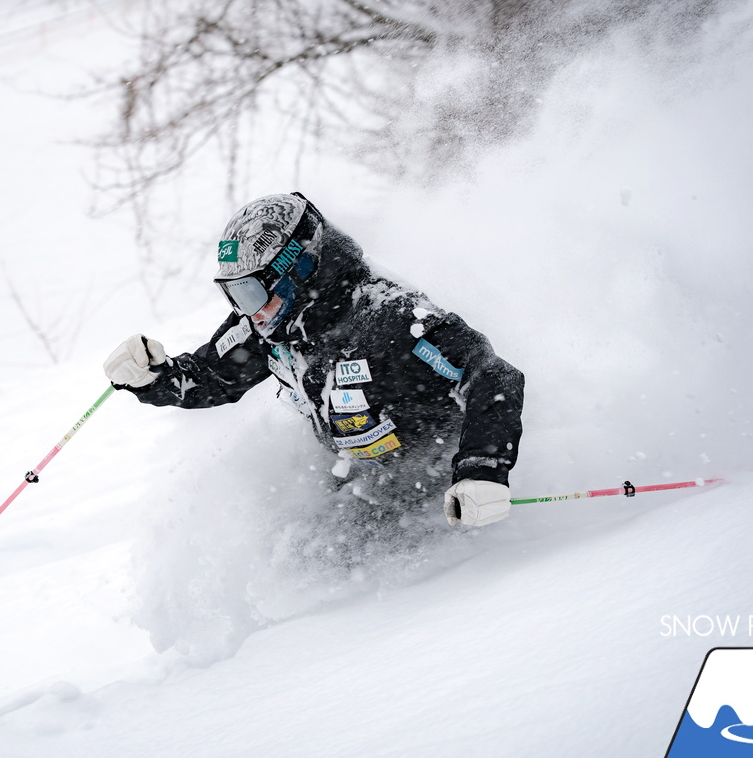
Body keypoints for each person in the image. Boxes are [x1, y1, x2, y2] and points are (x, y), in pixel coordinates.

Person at [103, 192, 525, 528]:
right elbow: (213, 378)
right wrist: (153, 377)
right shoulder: (274, 326)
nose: (248, 311)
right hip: (362, 488)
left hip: (443, 494)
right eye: (233, 294)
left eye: (251, 292)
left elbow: (491, 376)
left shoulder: (393, 319)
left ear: (299, 270)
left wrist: (481, 470)